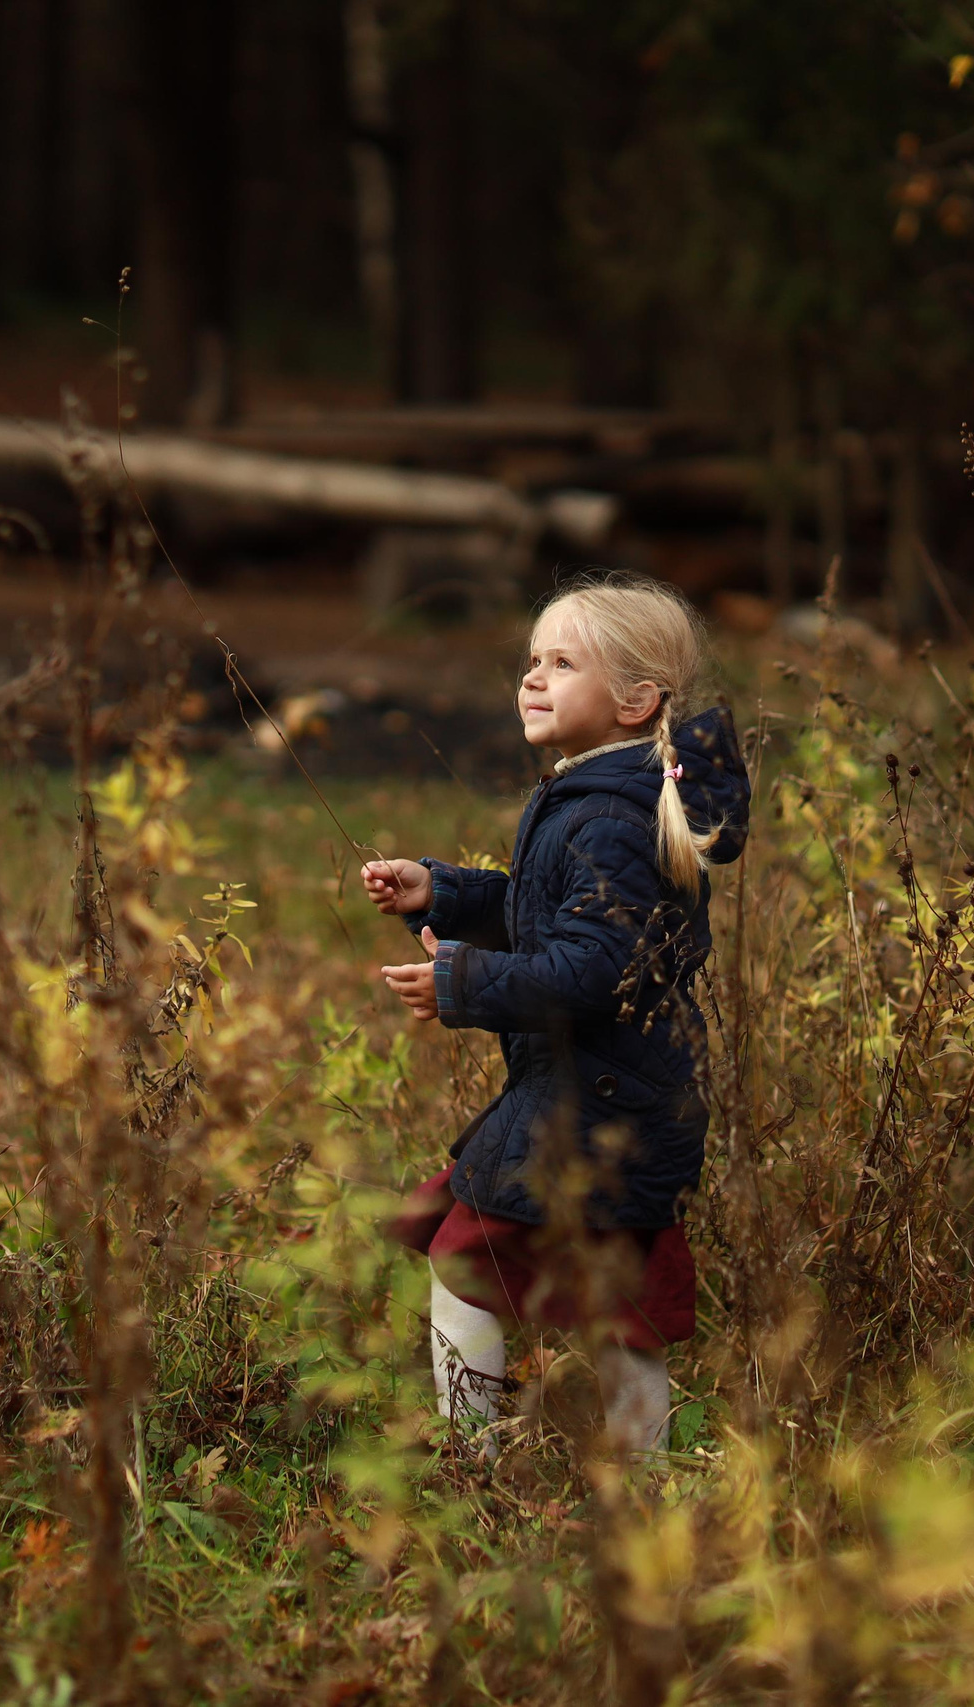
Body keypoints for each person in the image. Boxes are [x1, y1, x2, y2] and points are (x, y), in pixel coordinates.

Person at [363, 572, 750, 1457]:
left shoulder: (608, 816)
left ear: (634, 700)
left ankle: (475, 1459)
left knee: (468, 1260)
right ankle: (640, 1476)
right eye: (533, 658)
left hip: (597, 1103)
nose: (532, 677)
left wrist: (462, 984)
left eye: (563, 661)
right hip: (620, 1095)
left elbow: (590, 968)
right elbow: (552, 918)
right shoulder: (596, 794)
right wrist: (446, 893)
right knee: (621, 1297)